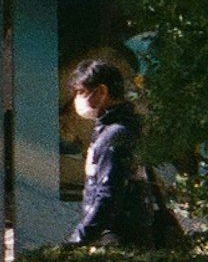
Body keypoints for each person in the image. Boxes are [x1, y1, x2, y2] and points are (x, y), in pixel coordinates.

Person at [72, 61, 184, 248]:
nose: (77, 99)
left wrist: (78, 240)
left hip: (119, 240)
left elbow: (108, 195)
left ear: (101, 92)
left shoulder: (117, 134)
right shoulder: (121, 129)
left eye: (81, 92)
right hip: (128, 235)